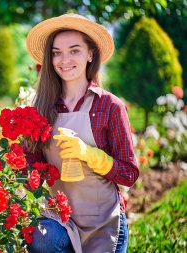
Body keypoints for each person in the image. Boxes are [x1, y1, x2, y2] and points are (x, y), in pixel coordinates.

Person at [25, 13, 139, 253]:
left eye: (74, 50)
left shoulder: (109, 106)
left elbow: (129, 174)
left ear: (90, 54)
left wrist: (89, 154)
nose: (64, 59)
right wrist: (11, 153)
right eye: (56, 52)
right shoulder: (43, 108)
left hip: (103, 222)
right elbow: (32, 169)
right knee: (41, 238)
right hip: (60, 218)